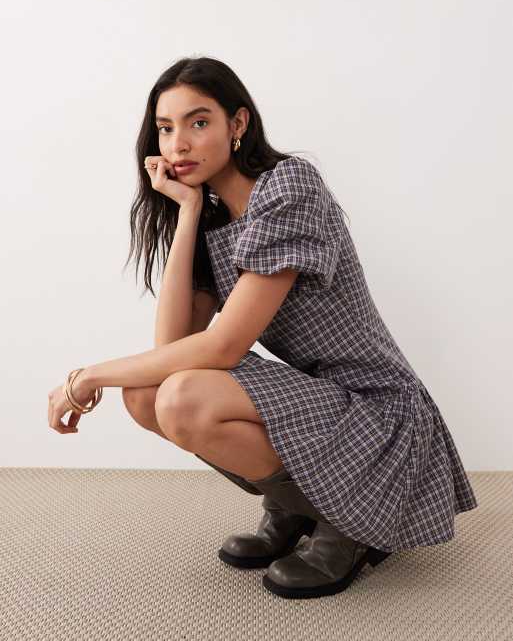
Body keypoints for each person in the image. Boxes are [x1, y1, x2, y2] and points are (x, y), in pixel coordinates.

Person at [47, 56, 478, 601]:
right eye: (166, 128)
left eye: (198, 122)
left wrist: (87, 376)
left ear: (238, 123)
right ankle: (298, 507)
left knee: (181, 397)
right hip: (318, 401)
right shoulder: (213, 220)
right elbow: (173, 348)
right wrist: (186, 212)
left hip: (376, 410)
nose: (178, 144)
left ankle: (346, 524)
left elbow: (224, 346)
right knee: (145, 394)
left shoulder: (288, 187)